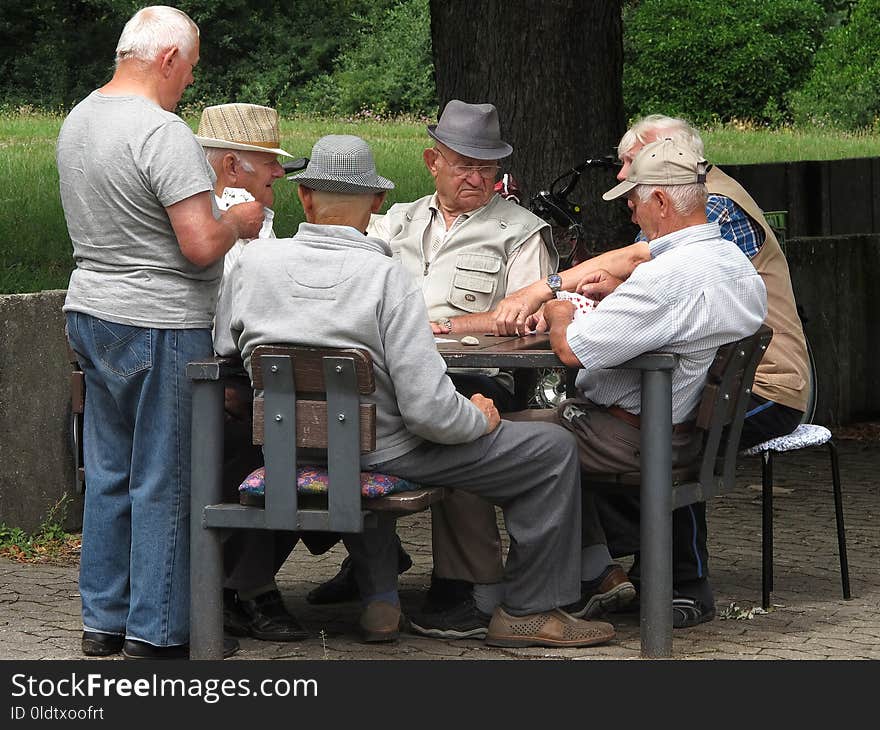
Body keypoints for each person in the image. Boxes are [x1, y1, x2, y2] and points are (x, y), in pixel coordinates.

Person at [214, 133, 615, 648]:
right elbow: (429, 413)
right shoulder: (386, 277)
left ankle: (382, 599)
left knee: (365, 445)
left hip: (286, 446)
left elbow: (225, 345)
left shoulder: (251, 264)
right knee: (553, 449)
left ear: (306, 198)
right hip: (383, 451)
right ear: (377, 203)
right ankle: (530, 610)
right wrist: (480, 419)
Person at [491, 114, 810, 625]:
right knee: (560, 429)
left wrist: (557, 305)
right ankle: (601, 572)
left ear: (662, 199)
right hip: (681, 419)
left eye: (634, 197)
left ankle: (517, 594)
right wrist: (621, 297)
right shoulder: (726, 257)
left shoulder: (673, 272)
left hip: (651, 432)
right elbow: (684, 304)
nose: (630, 211)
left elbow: (573, 349)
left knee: (495, 439)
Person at [58, 6, 265, 660]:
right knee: (166, 476)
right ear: (169, 58)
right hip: (160, 321)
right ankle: (159, 630)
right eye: (192, 68)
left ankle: (104, 622)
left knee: (110, 472)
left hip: (91, 311)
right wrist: (242, 217)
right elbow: (200, 244)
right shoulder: (161, 131)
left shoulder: (78, 119)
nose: (189, 82)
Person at [309, 100, 557, 639]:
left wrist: (469, 327)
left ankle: (467, 588)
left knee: (458, 418)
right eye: (462, 164)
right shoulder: (394, 219)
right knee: (347, 413)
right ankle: (374, 568)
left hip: (478, 376)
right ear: (432, 162)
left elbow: (532, 322)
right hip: (386, 379)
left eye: (486, 169)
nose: (475, 178)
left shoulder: (520, 231)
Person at [196, 102, 308, 642]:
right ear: (233, 167)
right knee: (294, 444)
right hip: (216, 378)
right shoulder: (234, 216)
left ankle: (240, 586)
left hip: (232, 375)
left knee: (302, 431)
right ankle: (244, 588)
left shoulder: (238, 214)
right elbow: (234, 322)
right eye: (269, 161)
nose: (280, 174)